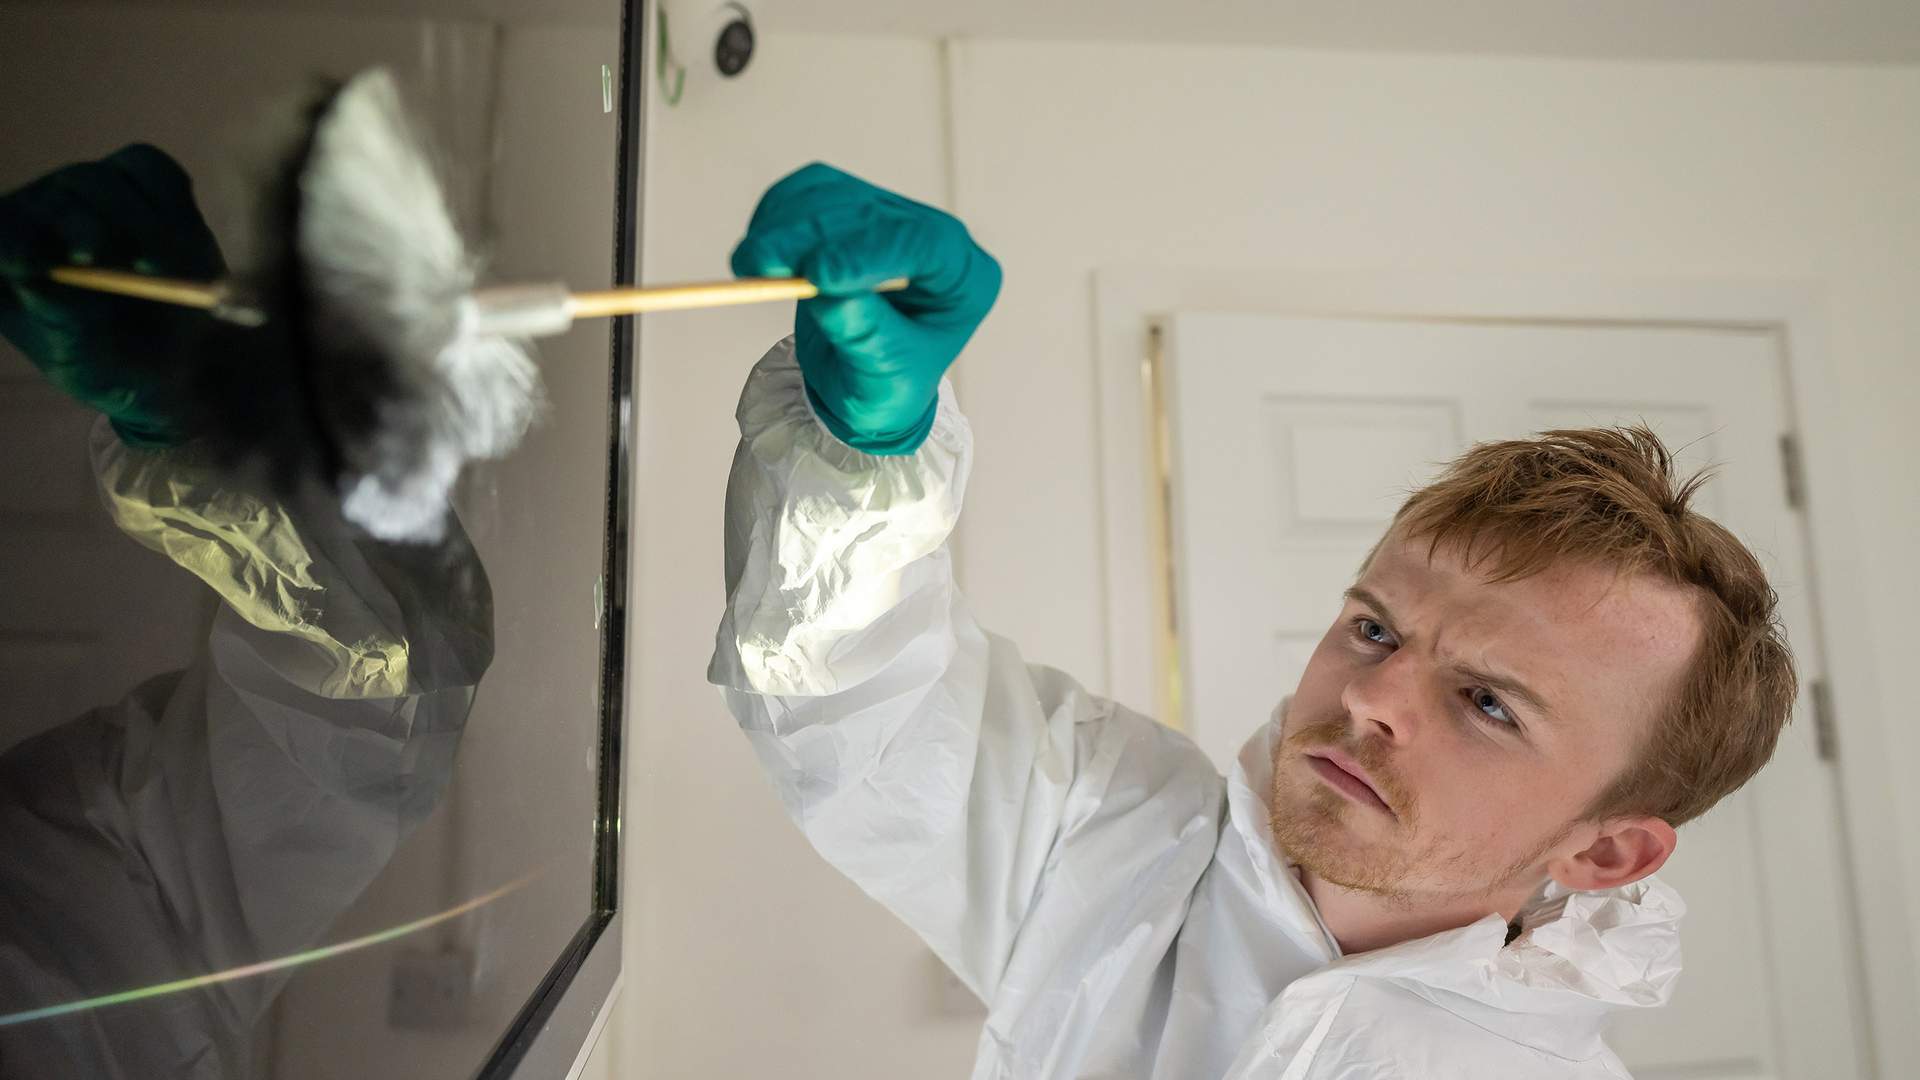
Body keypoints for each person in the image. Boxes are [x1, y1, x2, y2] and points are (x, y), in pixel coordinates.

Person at [708, 163, 1795, 1078]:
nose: (1370, 697)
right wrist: (867, 444)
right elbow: (857, 702)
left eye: (1486, 703)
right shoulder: (1128, 839)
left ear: (1607, 851)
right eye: (1376, 629)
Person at [0, 146, 493, 1078]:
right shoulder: (110, 899)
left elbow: (367, 692)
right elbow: (375, 694)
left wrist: (202, 411)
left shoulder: (77, 882)